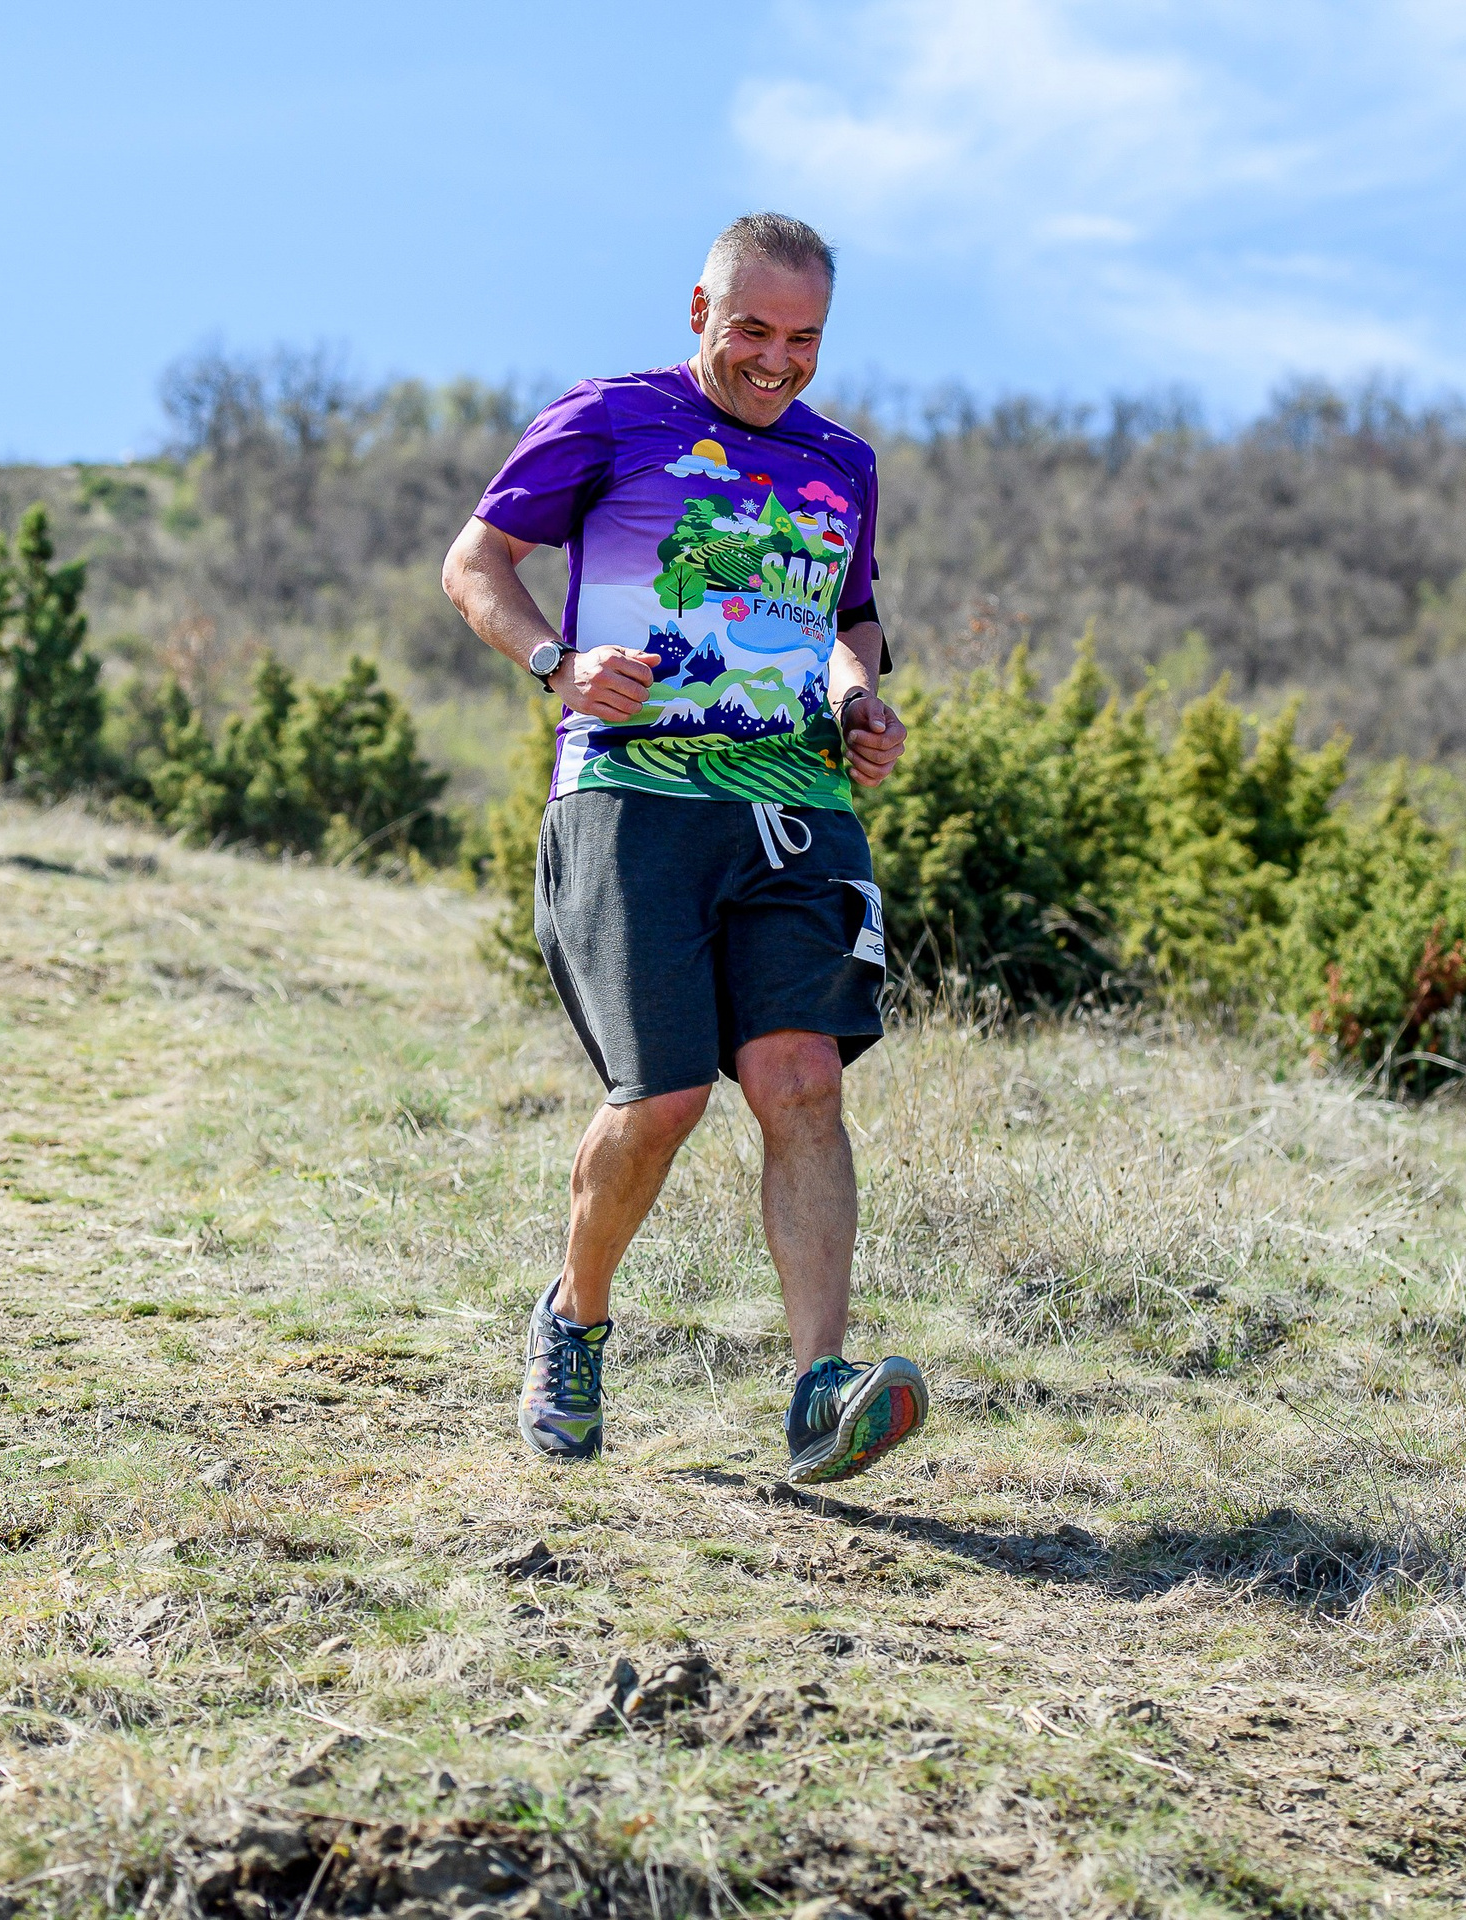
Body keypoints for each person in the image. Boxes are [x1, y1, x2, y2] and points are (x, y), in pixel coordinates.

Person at [441, 213, 925, 1486]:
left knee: (800, 1079)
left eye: (803, 338)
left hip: (795, 806)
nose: (776, 361)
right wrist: (555, 660)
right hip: (631, 795)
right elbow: (474, 560)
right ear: (699, 310)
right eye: (753, 329)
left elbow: (851, 618)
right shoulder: (608, 418)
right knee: (660, 1099)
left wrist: (855, 699)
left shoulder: (842, 463)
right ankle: (575, 1317)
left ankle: (822, 1389)